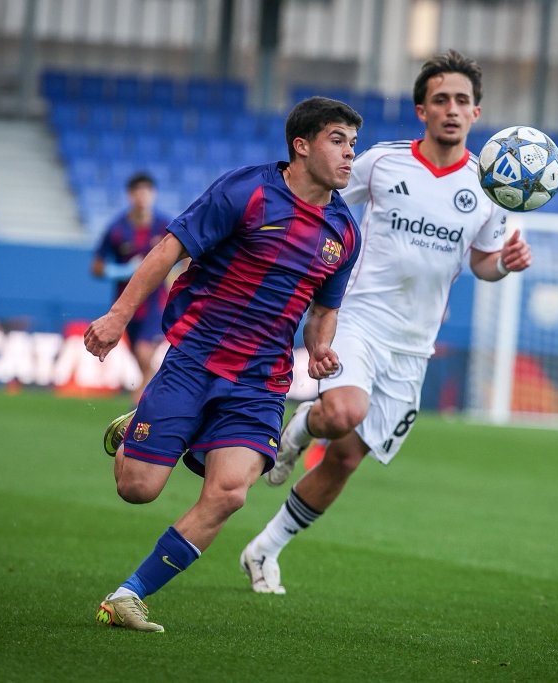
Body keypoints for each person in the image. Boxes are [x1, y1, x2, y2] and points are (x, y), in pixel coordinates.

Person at [240, 50, 533, 595]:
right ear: (422, 110)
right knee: (344, 411)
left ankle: (265, 548)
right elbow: (319, 195)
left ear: (476, 112)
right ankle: (303, 426)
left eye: (462, 101)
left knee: (347, 458)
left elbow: (483, 264)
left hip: (414, 344)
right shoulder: (381, 162)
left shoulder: (491, 187)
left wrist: (505, 264)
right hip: (359, 317)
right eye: (441, 99)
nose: (452, 109)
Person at [84, 96, 363, 632]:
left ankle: (128, 595)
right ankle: (142, 427)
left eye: (353, 143)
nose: (350, 153)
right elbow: (169, 250)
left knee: (231, 491)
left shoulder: (344, 233)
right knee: (137, 488)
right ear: (301, 146)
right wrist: (118, 316)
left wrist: (320, 347)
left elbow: (323, 311)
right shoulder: (247, 190)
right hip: (195, 360)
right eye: (337, 140)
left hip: (261, 382)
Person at [91, 171, 173, 404]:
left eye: (147, 192)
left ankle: (139, 406)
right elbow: (96, 266)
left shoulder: (164, 225)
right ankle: (154, 400)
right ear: (130, 195)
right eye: (138, 192)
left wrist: (181, 278)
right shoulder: (117, 229)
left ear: (153, 194)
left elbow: (188, 254)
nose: (142, 197)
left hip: (156, 302)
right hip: (127, 305)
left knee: (145, 353)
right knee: (141, 360)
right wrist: (121, 271)